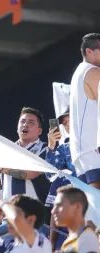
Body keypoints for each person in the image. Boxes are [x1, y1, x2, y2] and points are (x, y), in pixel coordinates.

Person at [0, 107, 50, 204]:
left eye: (31, 123)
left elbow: (31, 174)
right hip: (9, 210)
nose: (25, 125)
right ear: (17, 127)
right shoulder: (7, 149)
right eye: (22, 121)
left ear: (39, 131)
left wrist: (0, 168)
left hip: (32, 210)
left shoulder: (45, 149)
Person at [70, 33, 100, 189]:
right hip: (94, 150)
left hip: (82, 152)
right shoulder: (93, 72)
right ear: (89, 51)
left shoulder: (78, 74)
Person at [52, 185, 99, 253]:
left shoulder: (86, 236)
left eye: (59, 205)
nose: (53, 211)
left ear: (77, 207)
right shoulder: (72, 238)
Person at [45, 108, 72, 251]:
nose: (67, 124)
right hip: (74, 201)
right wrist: (51, 145)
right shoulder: (64, 148)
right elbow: (50, 175)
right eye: (65, 122)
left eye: (70, 120)